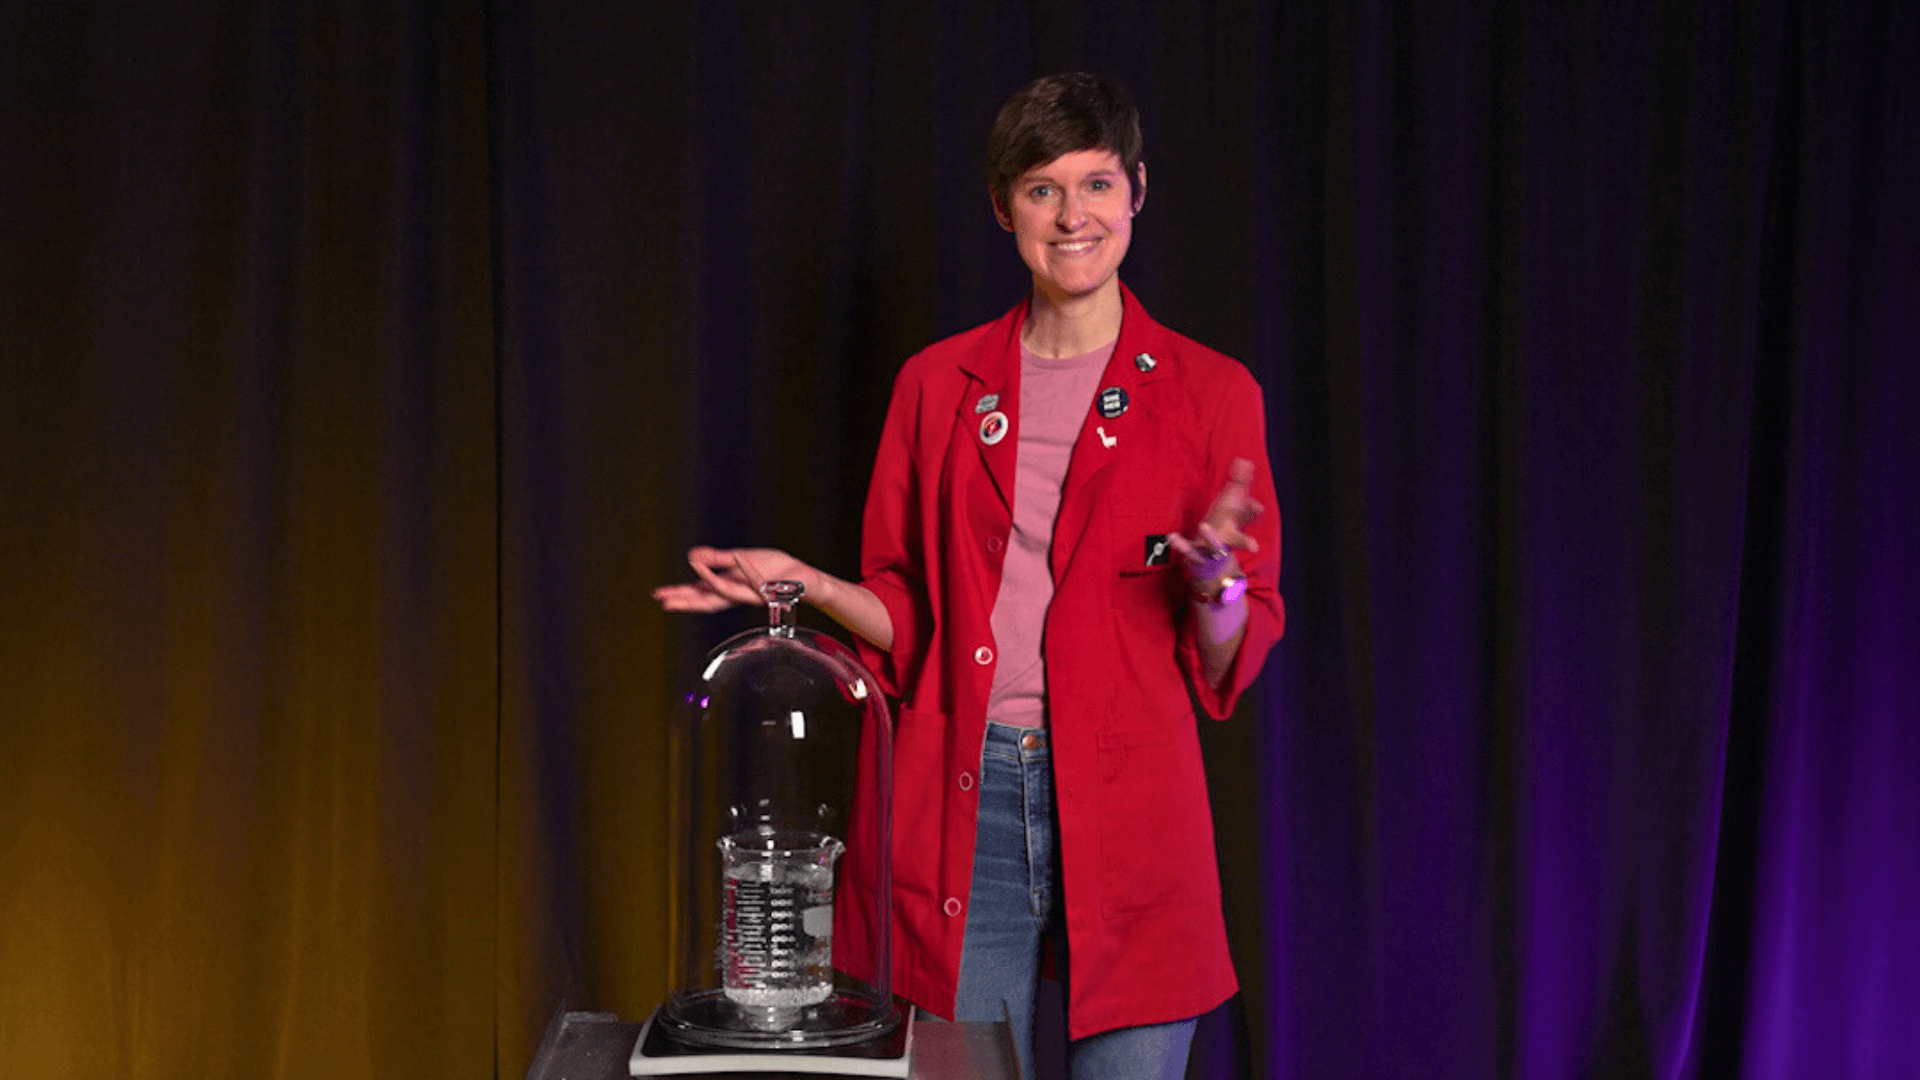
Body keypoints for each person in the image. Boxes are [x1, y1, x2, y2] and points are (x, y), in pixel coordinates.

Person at [655, 72, 1284, 1080]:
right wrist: (808, 580)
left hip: (1132, 809)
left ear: (1137, 192)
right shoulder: (935, 384)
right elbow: (908, 615)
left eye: (1096, 185)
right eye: (1042, 190)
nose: (1073, 215)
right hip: (965, 802)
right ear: (1004, 209)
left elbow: (1230, 656)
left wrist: (1219, 592)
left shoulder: (1214, 394)